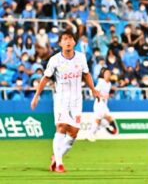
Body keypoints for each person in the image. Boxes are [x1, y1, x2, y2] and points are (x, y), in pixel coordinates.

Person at [30, 30, 100, 173]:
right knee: (61, 127)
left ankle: (56, 156)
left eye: (70, 39)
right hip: (61, 99)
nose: (68, 42)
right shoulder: (55, 60)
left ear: (74, 42)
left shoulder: (81, 58)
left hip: (76, 100)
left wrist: (93, 89)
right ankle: (59, 165)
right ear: (60, 43)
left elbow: (86, 75)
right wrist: (37, 95)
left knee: (74, 133)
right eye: (65, 39)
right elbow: (45, 78)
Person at [87, 68, 118, 142]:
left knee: (108, 118)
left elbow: (107, 94)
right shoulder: (101, 82)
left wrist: (110, 93)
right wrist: (103, 96)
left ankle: (97, 131)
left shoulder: (109, 84)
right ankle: (90, 134)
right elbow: (94, 92)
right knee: (98, 120)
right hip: (99, 103)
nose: (107, 75)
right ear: (103, 75)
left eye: (108, 74)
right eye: (106, 74)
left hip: (104, 105)